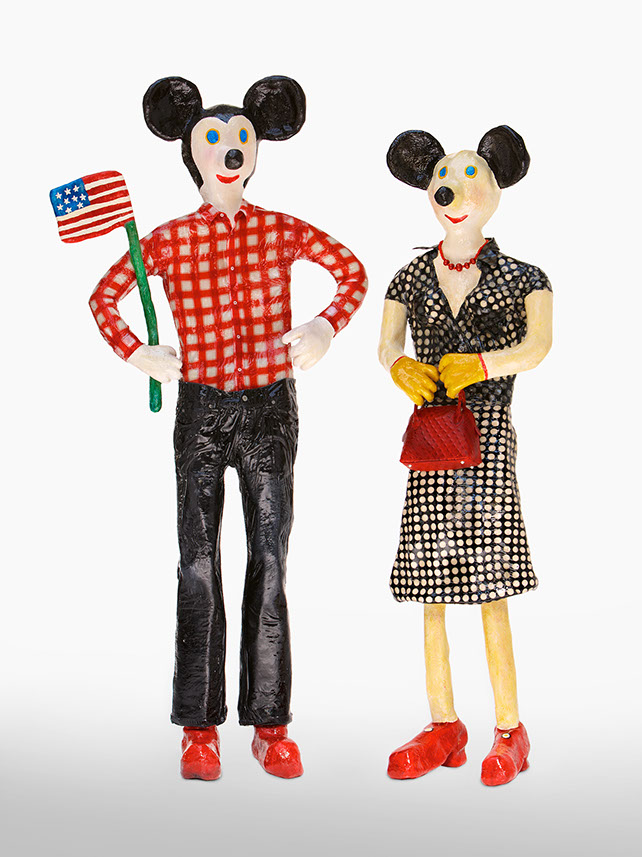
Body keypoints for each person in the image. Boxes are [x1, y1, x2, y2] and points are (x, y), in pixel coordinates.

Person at [90, 75, 367, 780]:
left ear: (260, 146)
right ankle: (199, 725)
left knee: (270, 557)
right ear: (190, 151)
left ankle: (270, 722)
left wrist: (324, 326)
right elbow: (103, 297)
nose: (230, 152)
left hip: (270, 407)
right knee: (198, 560)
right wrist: (138, 352)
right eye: (214, 140)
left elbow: (351, 271)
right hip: (203, 410)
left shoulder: (281, 228)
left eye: (241, 138)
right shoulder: (170, 239)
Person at [379, 125, 552, 786]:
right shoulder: (409, 277)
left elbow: (539, 346)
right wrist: (399, 366)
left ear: (499, 182)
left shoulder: (523, 278)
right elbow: (387, 344)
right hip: (431, 438)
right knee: (431, 587)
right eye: (443, 181)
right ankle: (443, 722)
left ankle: (510, 727)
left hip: (488, 439)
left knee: (490, 585)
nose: (455, 192)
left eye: (471, 175)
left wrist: (482, 364)